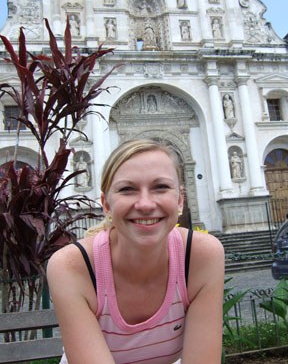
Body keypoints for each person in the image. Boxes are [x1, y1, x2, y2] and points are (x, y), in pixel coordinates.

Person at [47, 139, 224, 364]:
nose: (145, 204)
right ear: (106, 204)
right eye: (127, 189)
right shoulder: (73, 266)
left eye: (160, 187)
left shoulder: (200, 255)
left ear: (180, 200)